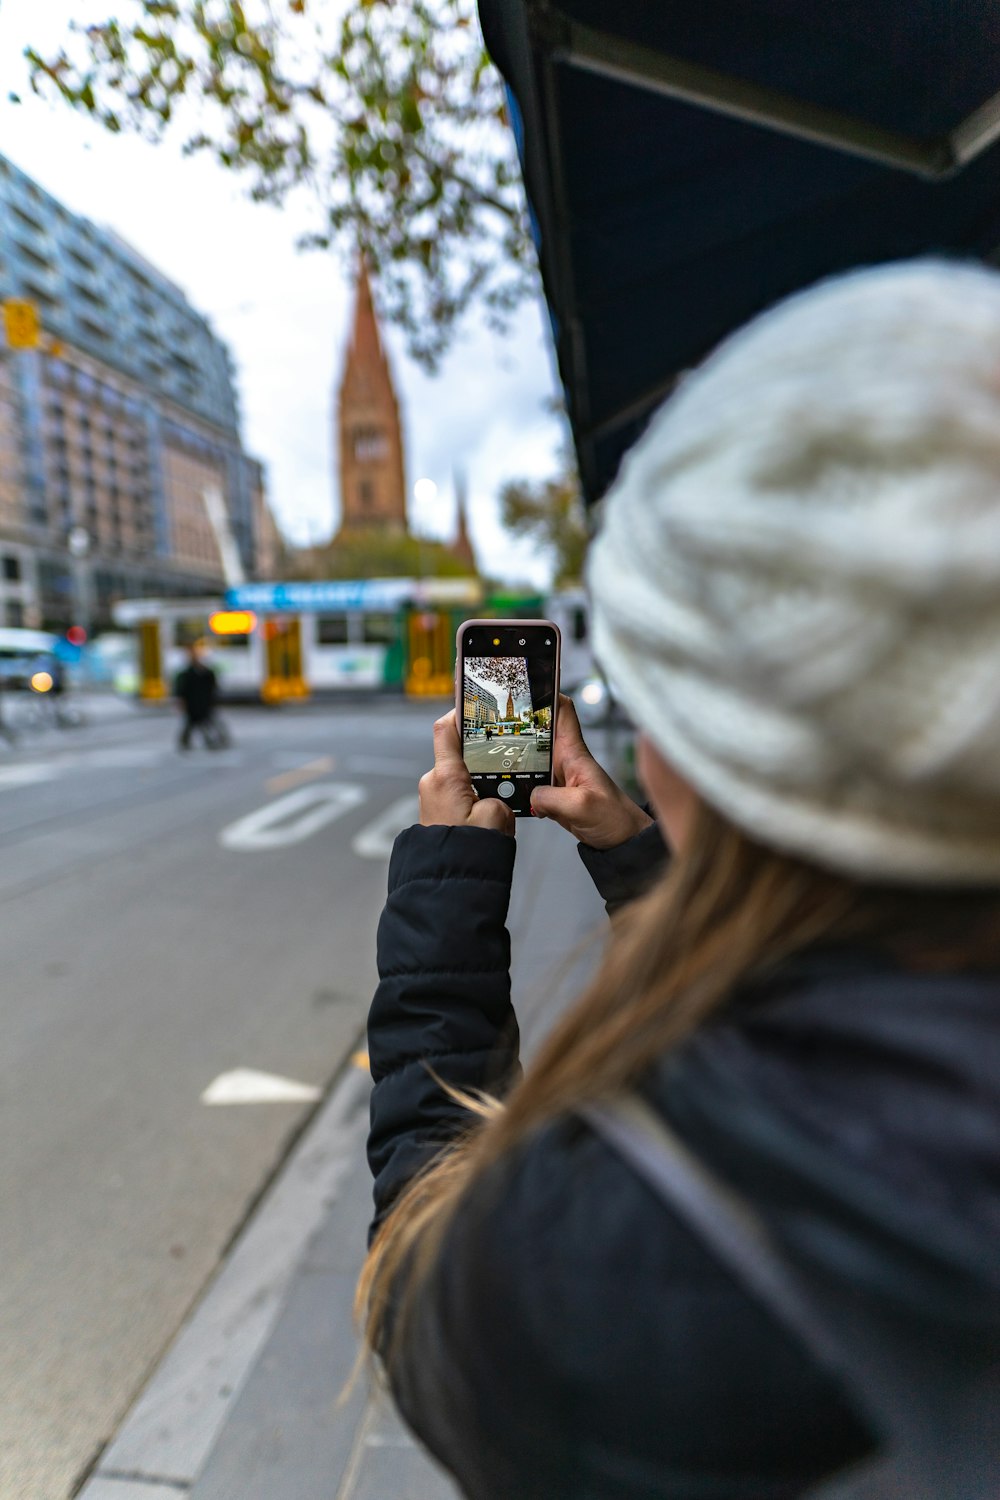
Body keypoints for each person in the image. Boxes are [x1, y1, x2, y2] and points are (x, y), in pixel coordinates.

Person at [357, 262, 1000, 1498]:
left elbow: (427, 1266)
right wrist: (635, 851)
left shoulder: (624, 1262)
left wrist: (452, 879)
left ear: (689, 756)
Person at [174, 640, 227, 750]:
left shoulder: (206, 672)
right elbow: (181, 689)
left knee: (204, 722)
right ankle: (209, 741)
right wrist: (181, 701)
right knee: (195, 723)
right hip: (192, 703)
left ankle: (212, 740)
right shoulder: (186, 673)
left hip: (204, 702)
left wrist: (213, 699)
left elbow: (213, 686)